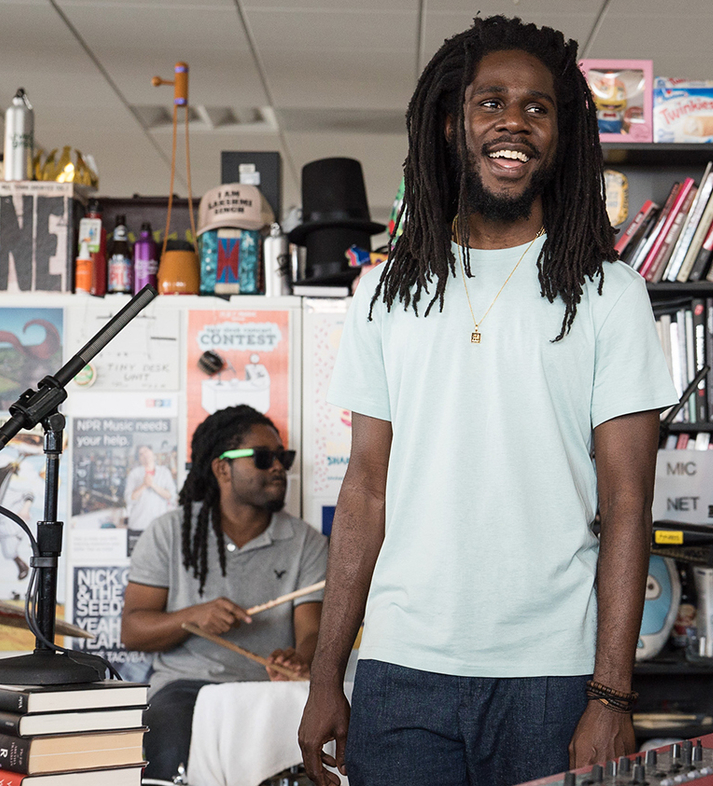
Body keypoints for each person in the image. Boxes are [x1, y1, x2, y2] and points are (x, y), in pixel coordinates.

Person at [296, 15, 677, 786]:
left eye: (538, 107)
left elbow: (628, 502)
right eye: (490, 102)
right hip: (402, 668)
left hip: (553, 677)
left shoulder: (608, 294)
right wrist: (327, 674)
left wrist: (611, 693)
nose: (514, 121)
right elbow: (365, 489)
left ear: (562, 135)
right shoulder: (384, 292)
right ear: (449, 124)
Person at [123, 405, 327, 781]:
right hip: (187, 689)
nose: (279, 467)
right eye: (264, 458)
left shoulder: (306, 543)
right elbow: (134, 631)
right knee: (166, 760)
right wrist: (192, 617)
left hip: (269, 690)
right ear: (222, 468)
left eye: (283, 457)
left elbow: (311, 631)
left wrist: (300, 659)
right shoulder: (170, 532)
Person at [124, 444, 175, 540]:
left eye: (146, 451)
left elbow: (171, 496)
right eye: (141, 454)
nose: (145, 455)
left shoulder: (164, 473)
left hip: (159, 526)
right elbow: (129, 499)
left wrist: (152, 485)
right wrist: (144, 485)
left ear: (152, 453)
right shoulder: (134, 474)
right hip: (138, 524)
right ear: (139, 458)